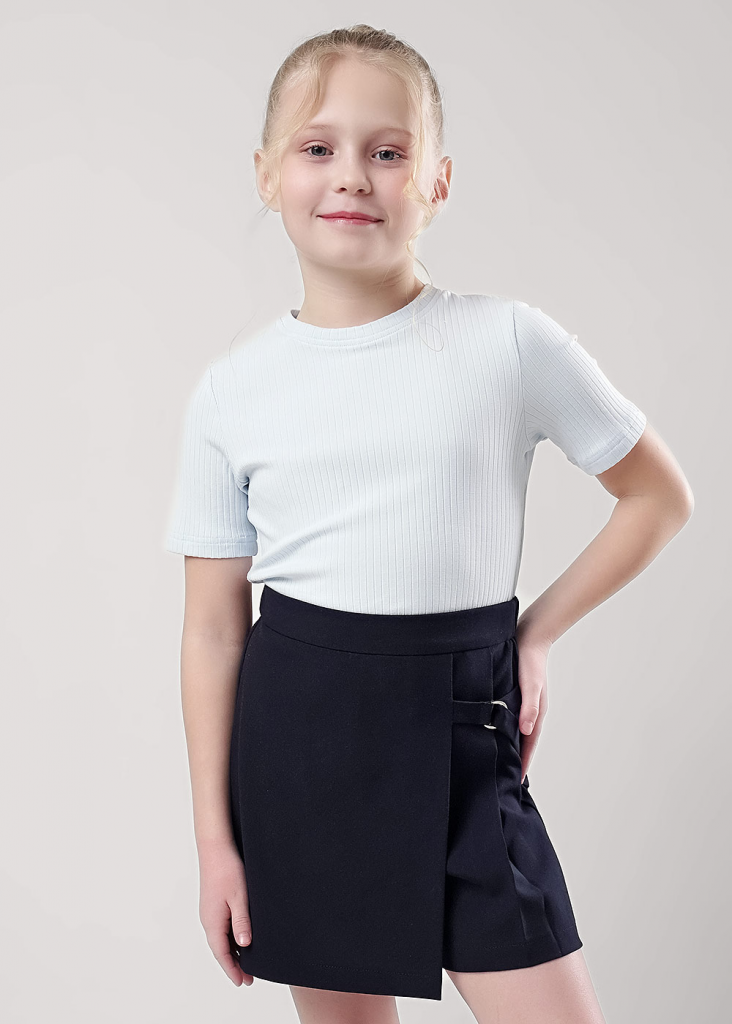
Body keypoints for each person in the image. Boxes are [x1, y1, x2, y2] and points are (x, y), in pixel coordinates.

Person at [163, 24, 693, 1024]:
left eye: (387, 150)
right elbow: (213, 631)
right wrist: (215, 843)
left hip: (465, 735)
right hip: (303, 748)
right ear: (268, 173)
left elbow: (660, 497)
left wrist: (535, 633)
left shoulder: (509, 343)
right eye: (317, 147)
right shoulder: (232, 392)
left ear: (438, 181)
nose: (350, 175)